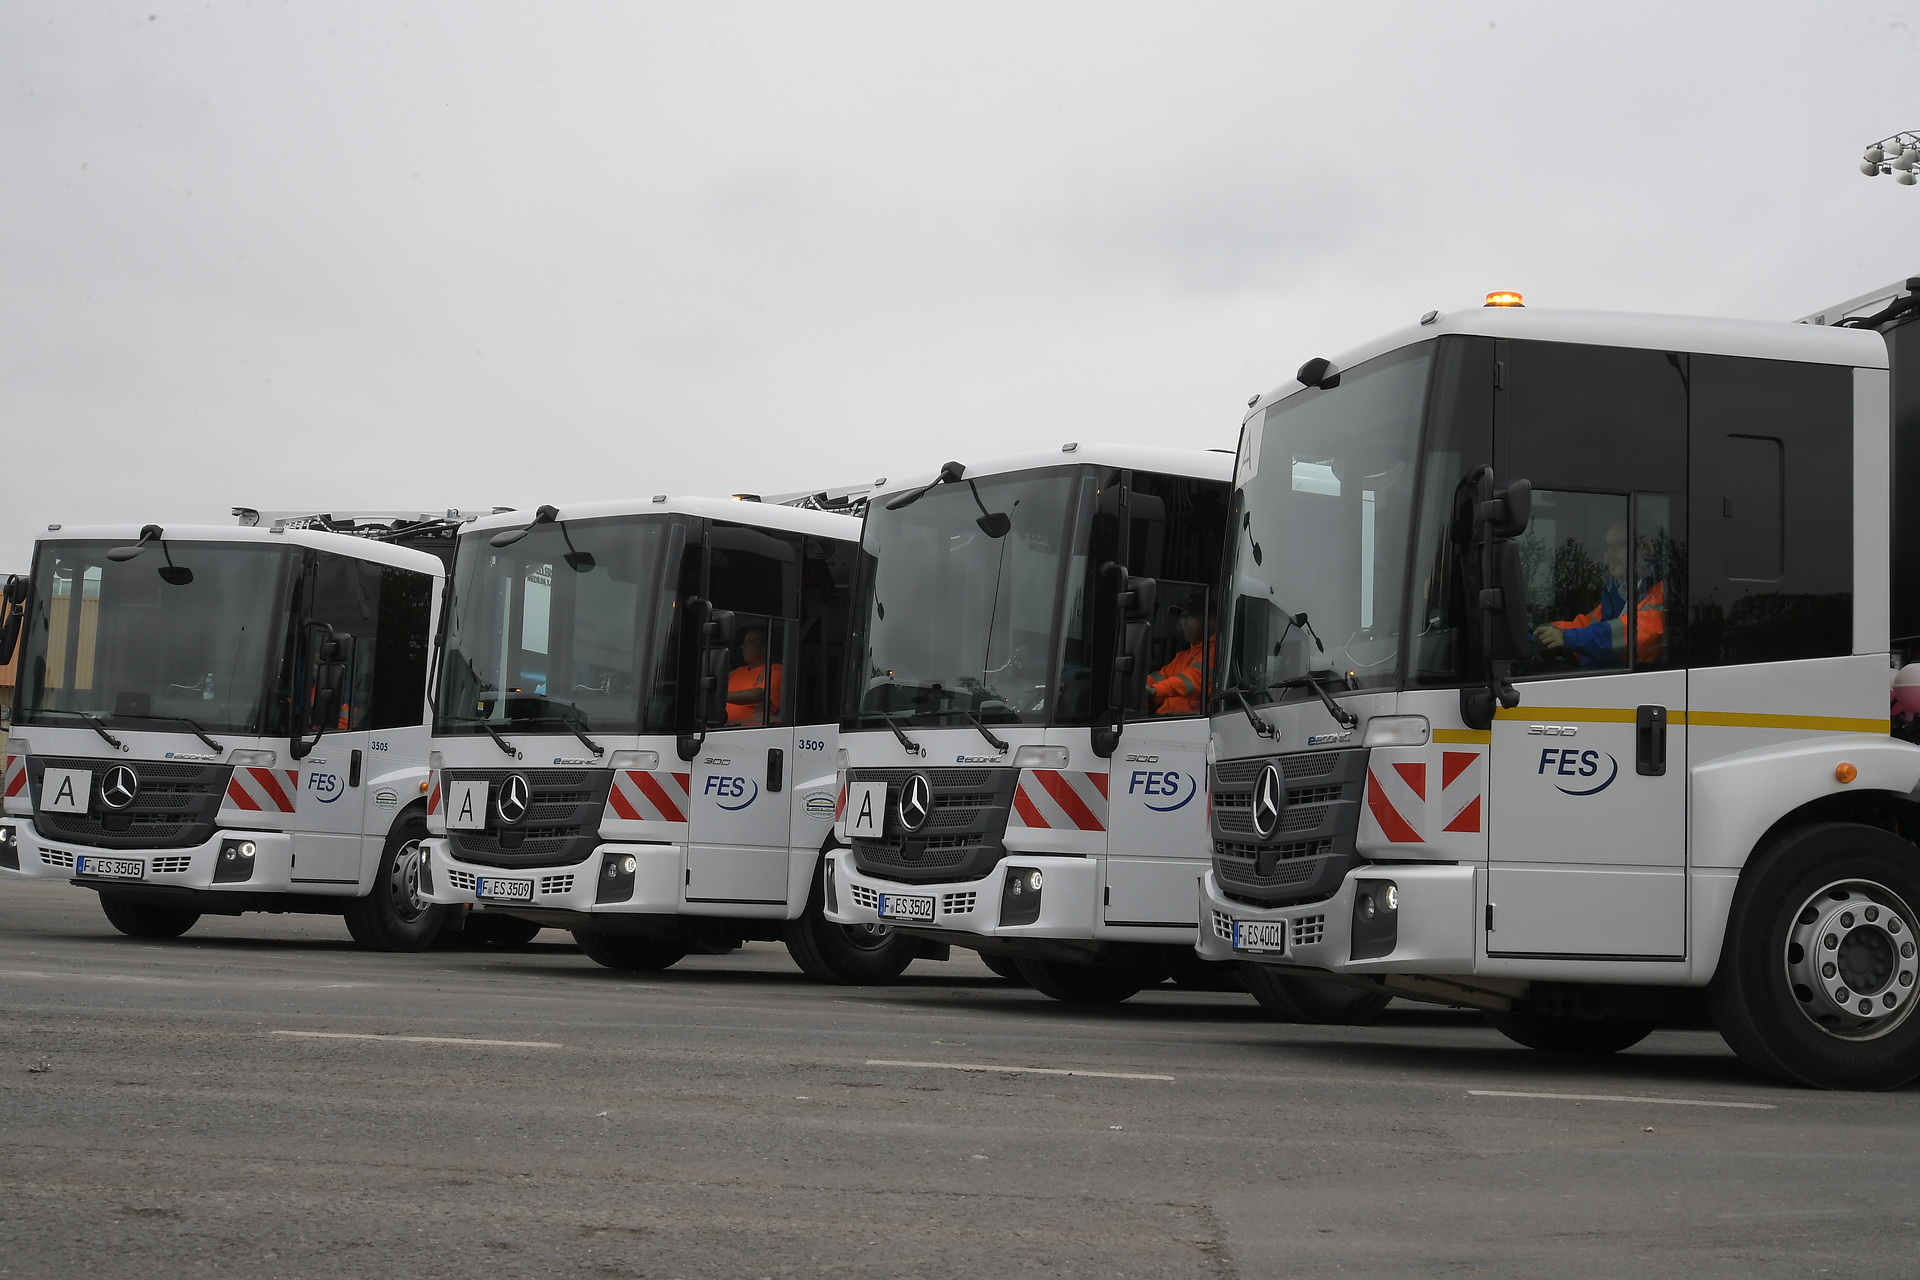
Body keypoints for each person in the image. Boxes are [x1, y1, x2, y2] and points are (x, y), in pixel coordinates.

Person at [1533, 520, 1665, 667]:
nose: (1607, 557)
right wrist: (1545, 630)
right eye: (1608, 547)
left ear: (1646, 549)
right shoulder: (1620, 593)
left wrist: (1567, 638)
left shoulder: (1662, 592)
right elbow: (1586, 626)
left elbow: (1630, 633)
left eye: (1618, 546)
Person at [1146, 602, 1215, 715]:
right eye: (1182, 618)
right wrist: (1137, 685)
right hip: (1166, 721)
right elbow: (1161, 677)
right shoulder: (1183, 656)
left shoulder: (1217, 651)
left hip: (1192, 724)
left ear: (1211, 618)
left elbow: (1194, 679)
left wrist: (1155, 690)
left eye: (1190, 617)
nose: (1184, 623)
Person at [726, 625, 783, 725]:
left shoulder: (776, 670)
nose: (743, 646)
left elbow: (761, 694)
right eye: (744, 642)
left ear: (764, 648)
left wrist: (721, 697)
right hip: (718, 731)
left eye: (750, 642)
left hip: (752, 734)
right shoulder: (736, 672)